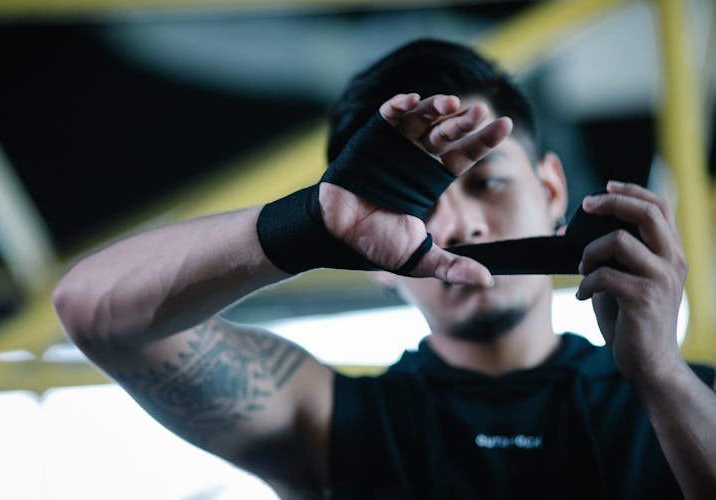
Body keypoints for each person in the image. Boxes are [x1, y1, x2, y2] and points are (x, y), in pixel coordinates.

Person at [52, 39, 716, 499]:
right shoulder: (332, 422)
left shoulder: (693, 396)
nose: (458, 226)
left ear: (550, 191)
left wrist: (662, 375)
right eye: (418, 205)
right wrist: (309, 225)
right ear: (372, 260)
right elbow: (91, 309)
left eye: (487, 183)